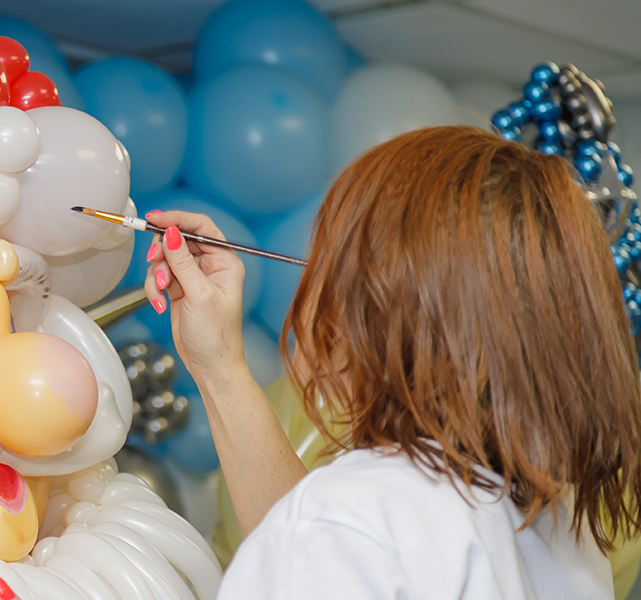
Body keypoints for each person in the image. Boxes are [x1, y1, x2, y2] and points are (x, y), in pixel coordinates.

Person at [144, 125, 641, 598]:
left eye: (330, 260)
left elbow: (338, 540)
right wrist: (220, 364)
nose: (311, 289)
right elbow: (343, 550)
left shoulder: (343, 523)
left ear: (387, 309)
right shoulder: (564, 534)